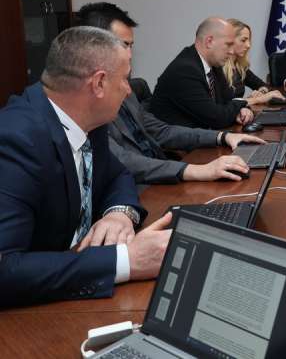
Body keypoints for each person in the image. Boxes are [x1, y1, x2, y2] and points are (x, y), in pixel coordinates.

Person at [0, 27, 172, 307]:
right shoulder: (15, 140)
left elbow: (117, 175)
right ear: (99, 83)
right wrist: (127, 260)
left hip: (75, 285)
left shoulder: (88, 120)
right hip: (30, 315)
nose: (129, 89)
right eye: (125, 79)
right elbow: (5, 269)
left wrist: (119, 214)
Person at [74, 3, 264, 183]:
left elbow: (161, 131)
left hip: (161, 168)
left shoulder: (126, 92)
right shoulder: (84, 102)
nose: (129, 54)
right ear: (94, 46)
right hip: (143, 184)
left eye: (131, 46)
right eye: (125, 45)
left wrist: (222, 137)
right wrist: (193, 171)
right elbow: (122, 162)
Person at [150, 17, 258, 129]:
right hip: (177, 139)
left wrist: (243, 110)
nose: (231, 51)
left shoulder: (213, 65)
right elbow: (216, 118)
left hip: (201, 135)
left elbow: (229, 100)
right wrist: (241, 103)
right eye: (228, 44)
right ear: (209, 42)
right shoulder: (185, 70)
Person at [224, 18, 284, 103]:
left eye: (249, 40)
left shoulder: (240, 68)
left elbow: (263, 85)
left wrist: (261, 92)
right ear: (230, 40)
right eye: (243, 40)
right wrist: (255, 99)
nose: (248, 45)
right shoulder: (217, 68)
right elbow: (224, 105)